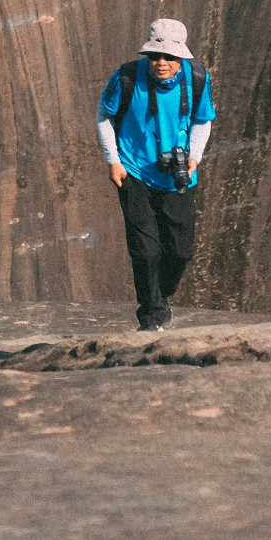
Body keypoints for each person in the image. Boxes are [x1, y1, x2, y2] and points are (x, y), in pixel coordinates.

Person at [96, 18, 217, 332]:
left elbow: (203, 120)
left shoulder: (198, 79)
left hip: (178, 175)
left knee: (181, 250)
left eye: (169, 57)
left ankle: (159, 296)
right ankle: (151, 317)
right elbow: (104, 114)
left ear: (180, 59)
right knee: (145, 250)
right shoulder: (127, 77)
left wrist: (194, 156)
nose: (161, 63)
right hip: (134, 171)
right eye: (154, 56)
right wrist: (113, 160)